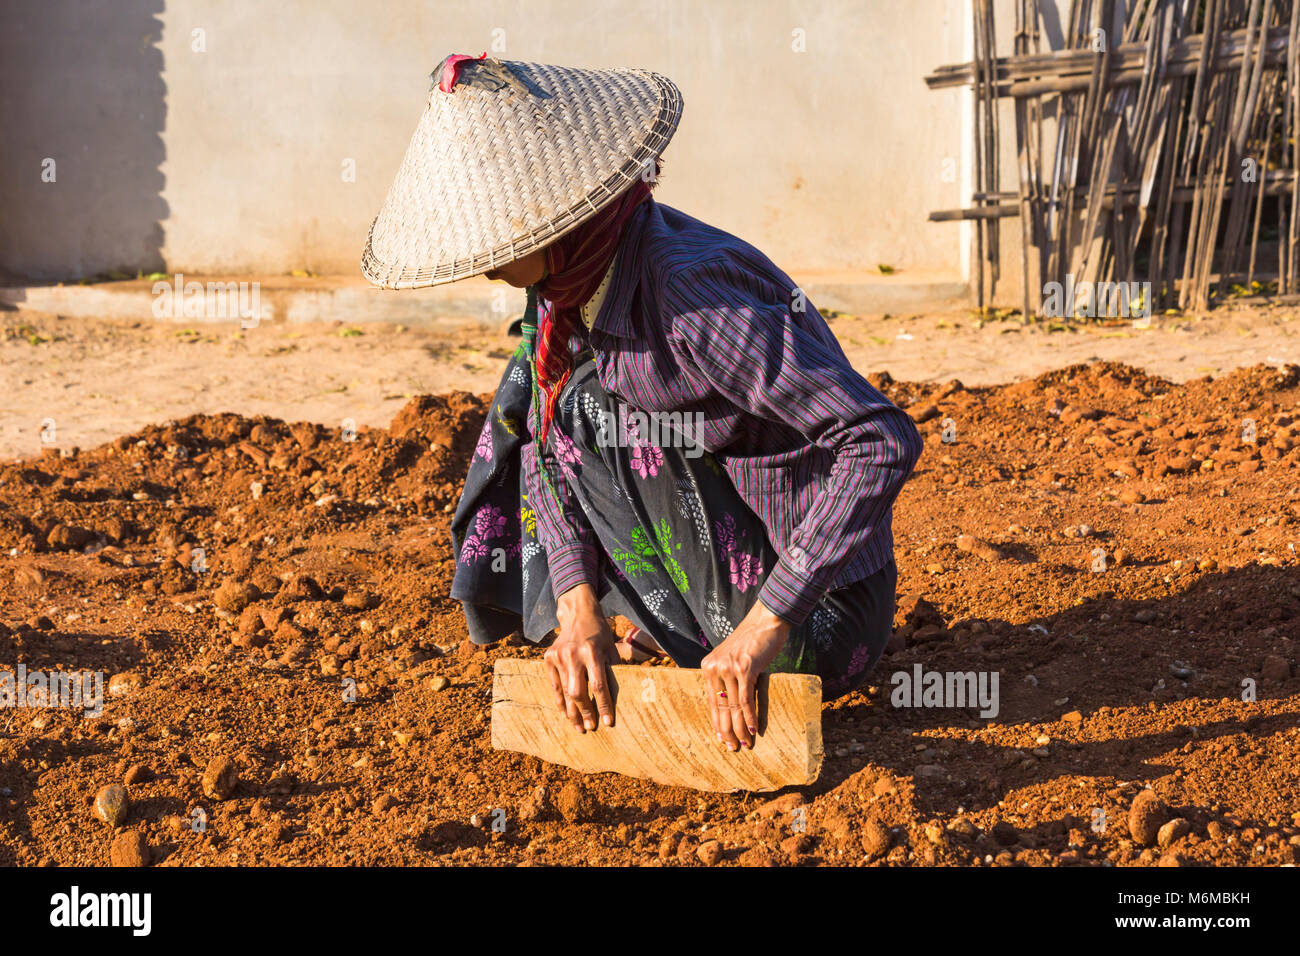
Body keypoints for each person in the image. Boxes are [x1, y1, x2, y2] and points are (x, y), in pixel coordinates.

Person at [363, 53, 923, 754]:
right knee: (534, 387)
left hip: (817, 620)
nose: (485, 261)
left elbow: (880, 440)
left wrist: (764, 627)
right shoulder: (570, 289)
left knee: (584, 402)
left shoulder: (690, 300)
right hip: (722, 544)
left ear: (559, 224)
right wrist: (577, 609)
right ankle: (616, 620)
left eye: (502, 235)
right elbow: (543, 445)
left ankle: (696, 630)